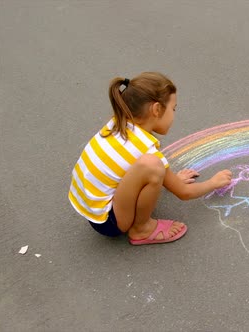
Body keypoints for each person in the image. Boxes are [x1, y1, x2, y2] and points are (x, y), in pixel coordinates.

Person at [68, 72, 232, 245]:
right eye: (173, 109)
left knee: (152, 167)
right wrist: (214, 182)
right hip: (108, 223)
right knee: (152, 166)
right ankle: (142, 229)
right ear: (156, 109)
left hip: (91, 207)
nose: (174, 114)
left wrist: (171, 180)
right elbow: (184, 193)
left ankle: (146, 208)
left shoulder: (118, 123)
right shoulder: (144, 148)